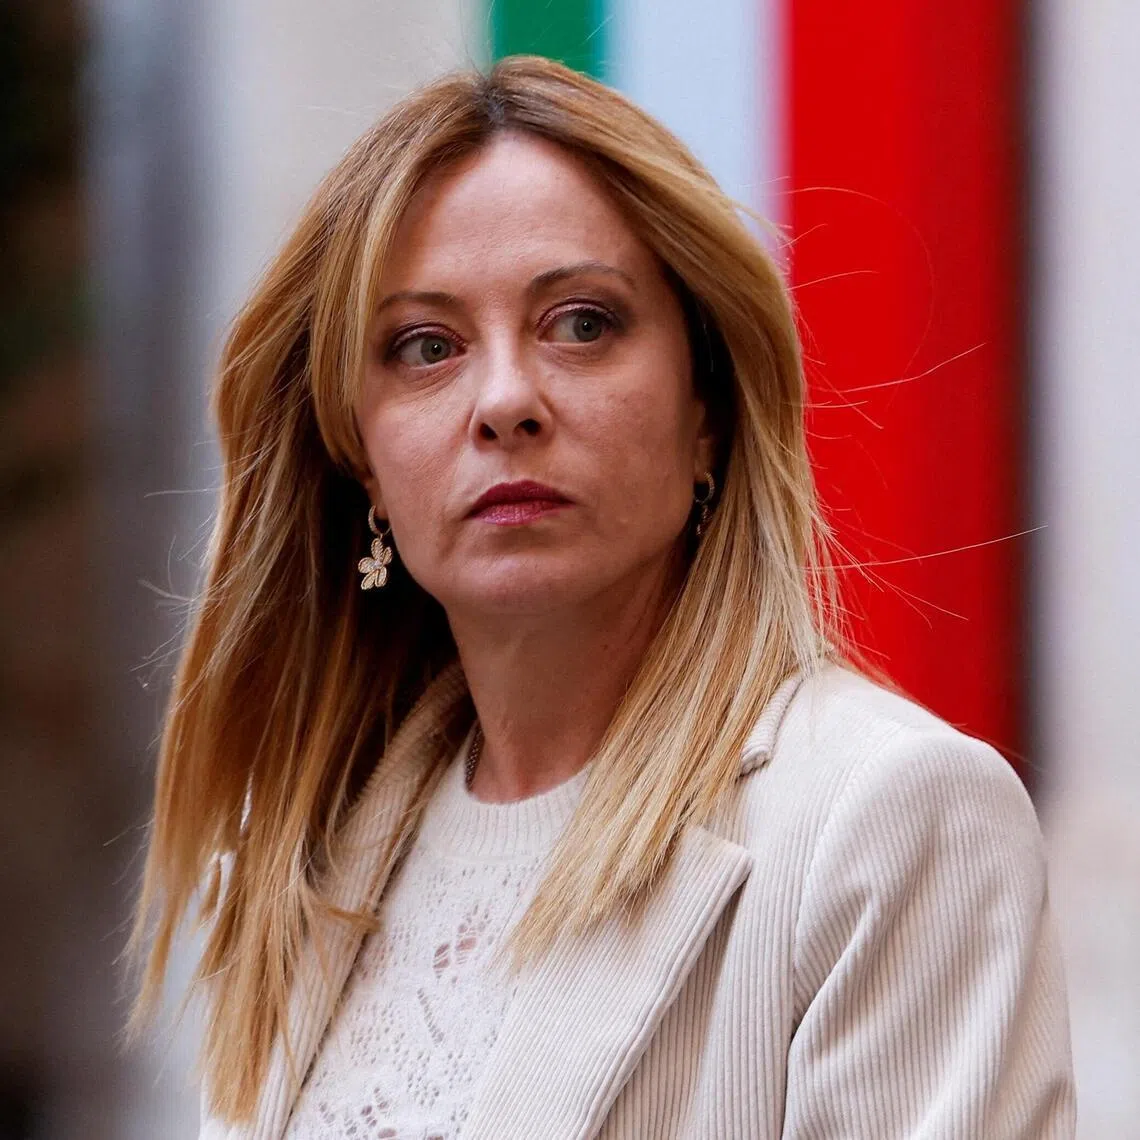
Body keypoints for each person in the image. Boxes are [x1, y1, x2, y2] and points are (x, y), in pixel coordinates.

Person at [129, 55, 1076, 1139]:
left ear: (707, 405)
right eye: (425, 347)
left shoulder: (890, 820)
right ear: (358, 458)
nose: (505, 401)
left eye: (581, 323)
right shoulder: (306, 853)